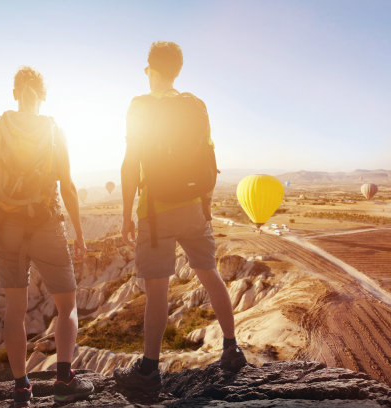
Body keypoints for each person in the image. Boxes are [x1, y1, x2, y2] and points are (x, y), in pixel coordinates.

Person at [115, 42, 247, 394]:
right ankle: (232, 348)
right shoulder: (195, 106)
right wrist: (204, 204)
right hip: (193, 207)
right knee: (210, 274)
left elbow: (130, 164)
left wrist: (126, 214)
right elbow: (208, 158)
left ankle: (148, 371)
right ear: (178, 70)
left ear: (152, 70)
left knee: (157, 291)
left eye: (147, 68)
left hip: (155, 213)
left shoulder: (140, 106)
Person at [0, 66, 94, 407]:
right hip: (46, 225)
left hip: (8, 229)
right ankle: (63, 379)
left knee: (15, 311)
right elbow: (69, 185)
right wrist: (79, 233)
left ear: (15, 93)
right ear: (43, 96)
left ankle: (21, 388)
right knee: (67, 306)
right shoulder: (53, 130)